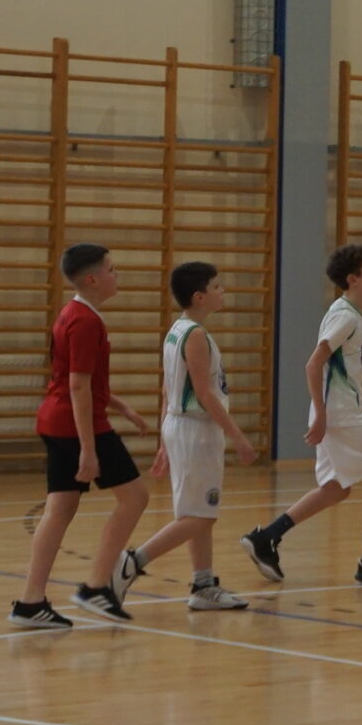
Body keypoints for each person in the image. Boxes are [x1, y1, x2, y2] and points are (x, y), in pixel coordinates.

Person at [239, 244, 362, 585]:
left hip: (337, 412)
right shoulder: (345, 316)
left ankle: (266, 537)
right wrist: (320, 414)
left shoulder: (348, 312)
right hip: (342, 414)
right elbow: (313, 363)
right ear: (352, 279)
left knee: (335, 488)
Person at [12, 243, 154, 627]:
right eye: (112, 269)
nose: (117, 275)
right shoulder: (86, 321)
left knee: (59, 510)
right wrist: (88, 450)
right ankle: (96, 587)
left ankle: (30, 602)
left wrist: (120, 406)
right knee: (135, 497)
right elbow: (77, 386)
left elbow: (77, 381)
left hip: (57, 421)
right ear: (92, 279)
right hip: (77, 426)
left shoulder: (73, 314)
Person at [112, 261, 258, 611]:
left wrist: (164, 441)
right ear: (199, 296)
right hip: (196, 430)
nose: (223, 291)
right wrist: (238, 436)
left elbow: (168, 389)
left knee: (198, 509)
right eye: (217, 286)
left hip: (180, 427)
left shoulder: (177, 329)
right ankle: (133, 561)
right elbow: (204, 394)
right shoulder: (195, 335)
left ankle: (203, 585)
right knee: (200, 516)